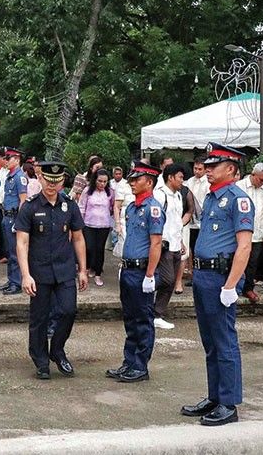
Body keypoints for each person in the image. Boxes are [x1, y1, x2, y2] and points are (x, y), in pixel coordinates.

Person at [181, 142, 253, 426]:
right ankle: (215, 395)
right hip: (203, 276)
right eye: (207, 165)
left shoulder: (238, 199)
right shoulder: (211, 197)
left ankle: (228, 402)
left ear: (231, 169)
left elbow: (244, 247)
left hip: (222, 277)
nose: (208, 170)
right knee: (210, 341)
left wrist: (231, 286)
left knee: (225, 341)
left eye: (214, 166)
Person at [16, 161, 88, 380]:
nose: (51, 185)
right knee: (39, 318)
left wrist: (83, 269)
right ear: (40, 178)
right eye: (48, 180)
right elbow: (22, 243)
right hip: (39, 271)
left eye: (56, 181)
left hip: (65, 269)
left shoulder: (69, 205)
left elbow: (78, 237)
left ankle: (57, 350)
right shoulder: (30, 206)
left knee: (69, 310)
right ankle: (41, 360)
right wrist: (25, 274)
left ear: (62, 181)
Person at [106, 160, 163, 384]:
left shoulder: (153, 208)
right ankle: (129, 362)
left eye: (136, 179)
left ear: (148, 182)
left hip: (142, 271)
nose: (132, 182)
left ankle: (140, 365)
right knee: (130, 319)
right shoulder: (131, 207)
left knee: (142, 319)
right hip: (129, 268)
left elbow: (156, 244)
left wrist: (150, 275)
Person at [153, 163, 187, 329]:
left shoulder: (178, 196)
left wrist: (180, 241)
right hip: (163, 244)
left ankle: (157, 313)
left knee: (171, 282)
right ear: (170, 177)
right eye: (180, 177)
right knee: (167, 279)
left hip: (175, 243)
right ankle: (141, 292)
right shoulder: (160, 195)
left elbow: (177, 222)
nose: (182, 180)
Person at [235, 163, 263, 302]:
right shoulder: (238, 187)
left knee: (252, 263)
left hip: (256, 233)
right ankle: (232, 287)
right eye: (261, 179)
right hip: (238, 233)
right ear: (253, 175)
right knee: (235, 260)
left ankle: (248, 288)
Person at [0, 147, 27, 295]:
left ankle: (17, 282)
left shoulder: (20, 177)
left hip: (14, 217)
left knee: (15, 252)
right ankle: (12, 279)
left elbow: (23, 200)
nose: (6, 161)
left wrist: (19, 222)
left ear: (17, 159)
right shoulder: (10, 176)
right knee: (9, 252)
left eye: (9, 159)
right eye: (6, 159)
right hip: (6, 216)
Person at [78, 168, 114, 287]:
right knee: (89, 247)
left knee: (99, 249)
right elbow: (82, 206)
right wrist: (80, 223)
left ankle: (98, 273)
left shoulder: (110, 192)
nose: (102, 184)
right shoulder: (87, 191)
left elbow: (113, 207)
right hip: (88, 224)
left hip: (104, 225)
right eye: (100, 181)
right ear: (95, 180)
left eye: (105, 182)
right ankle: (86, 268)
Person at [184, 155, 210, 287]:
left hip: (204, 221)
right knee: (192, 248)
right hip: (192, 221)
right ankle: (193, 274)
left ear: (205, 169)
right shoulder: (190, 182)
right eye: (195, 168)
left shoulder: (208, 183)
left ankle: (201, 274)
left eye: (200, 169)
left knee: (202, 248)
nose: (197, 171)